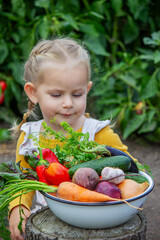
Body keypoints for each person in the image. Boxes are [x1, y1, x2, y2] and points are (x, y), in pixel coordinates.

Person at [9, 38, 138, 240]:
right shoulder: (29, 138)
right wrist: (18, 207)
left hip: (96, 219)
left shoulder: (98, 133)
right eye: (57, 94)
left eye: (77, 94)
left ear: (87, 89)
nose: (68, 103)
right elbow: (22, 180)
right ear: (33, 93)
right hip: (46, 223)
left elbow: (131, 169)